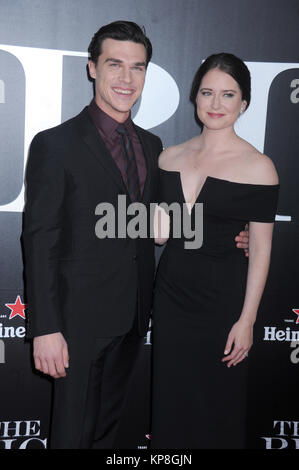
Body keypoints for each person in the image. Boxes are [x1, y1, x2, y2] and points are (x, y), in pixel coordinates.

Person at [22, 20, 249, 449]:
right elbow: (39, 239)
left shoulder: (152, 145)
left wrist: (235, 236)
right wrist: (45, 328)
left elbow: (160, 224)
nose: (127, 79)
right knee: (71, 435)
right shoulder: (55, 143)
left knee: (109, 433)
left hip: (134, 316)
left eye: (138, 67)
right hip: (76, 323)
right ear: (92, 68)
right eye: (115, 65)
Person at [151, 53, 279, 449]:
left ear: (243, 103)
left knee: (218, 405)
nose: (216, 104)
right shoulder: (169, 156)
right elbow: (158, 235)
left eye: (228, 94)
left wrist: (247, 321)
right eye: (207, 92)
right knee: (171, 404)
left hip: (224, 303)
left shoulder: (259, 167)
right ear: (195, 98)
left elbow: (259, 249)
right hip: (171, 297)